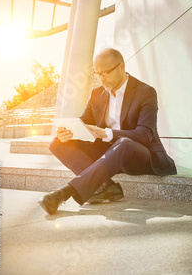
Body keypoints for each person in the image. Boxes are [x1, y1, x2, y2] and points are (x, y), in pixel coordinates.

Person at [38, 48, 176, 215]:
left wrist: (106, 133)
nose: (101, 78)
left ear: (121, 67)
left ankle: (63, 194)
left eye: (106, 73)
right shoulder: (97, 93)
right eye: (97, 74)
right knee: (58, 143)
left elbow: (145, 135)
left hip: (139, 155)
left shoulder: (146, 92)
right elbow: (83, 124)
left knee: (124, 143)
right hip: (109, 154)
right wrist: (68, 133)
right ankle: (107, 187)